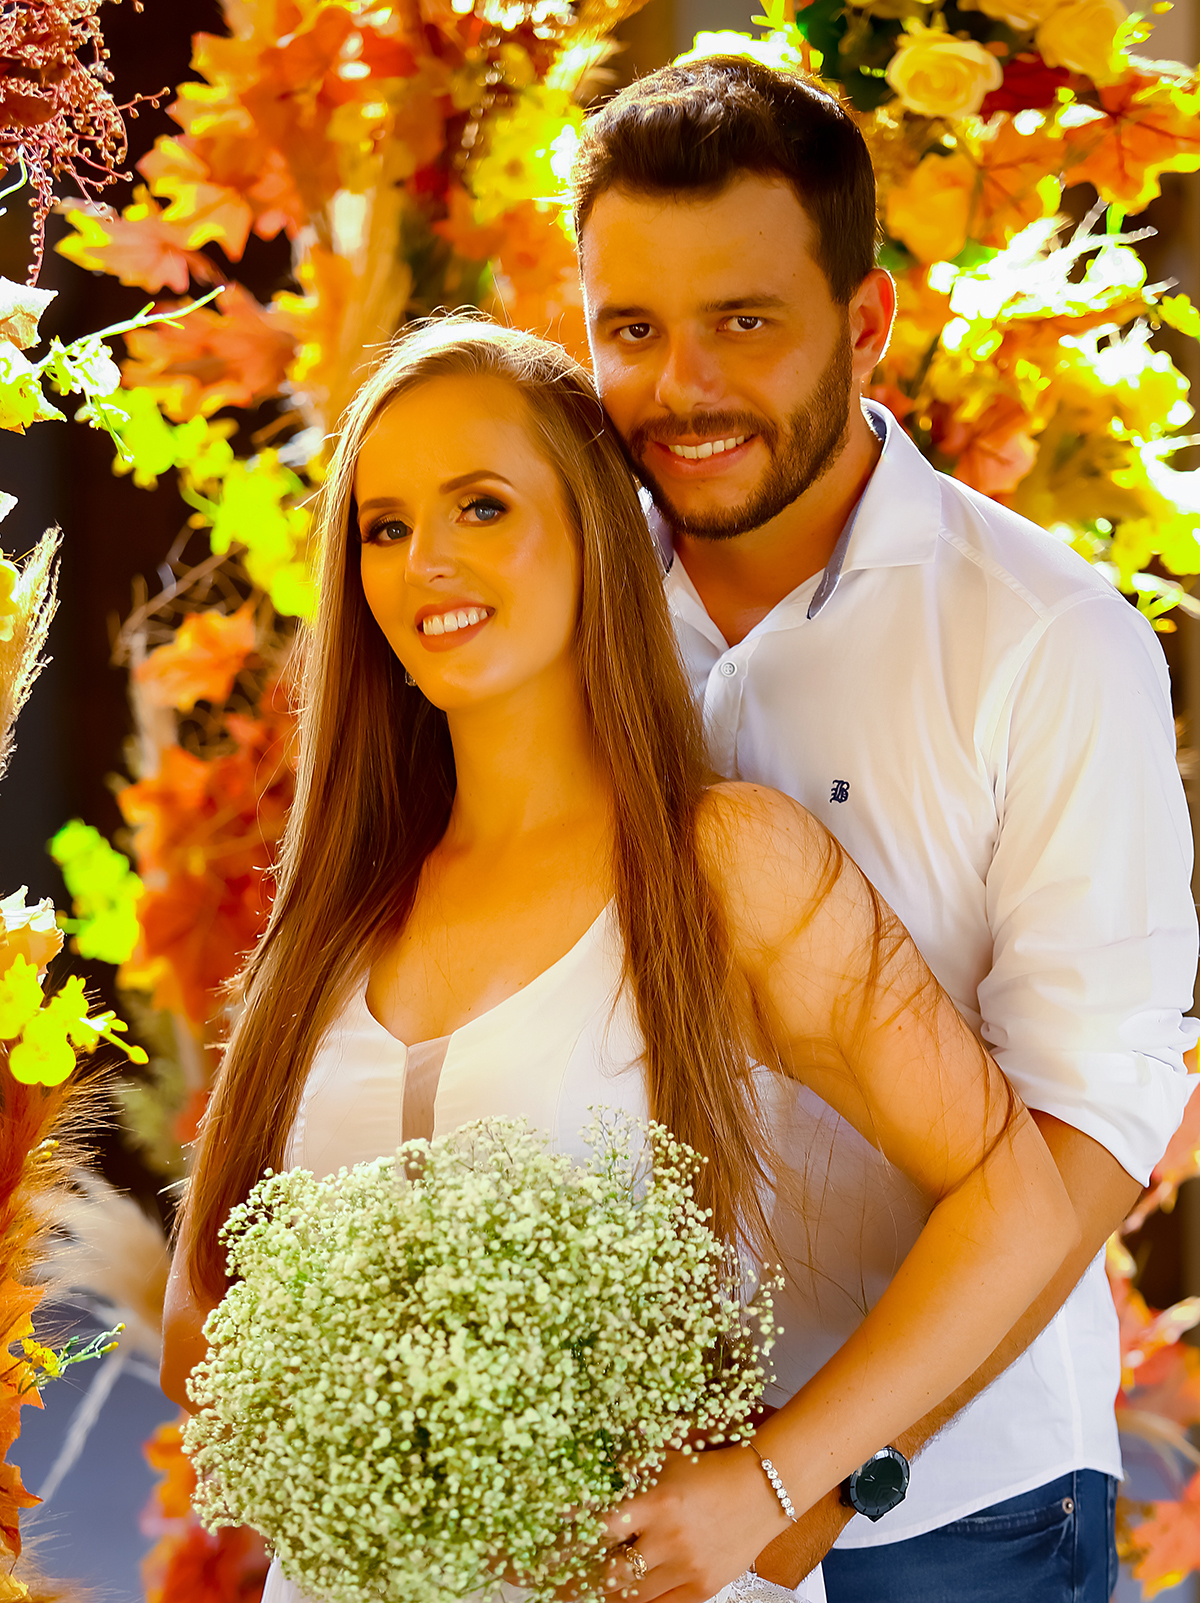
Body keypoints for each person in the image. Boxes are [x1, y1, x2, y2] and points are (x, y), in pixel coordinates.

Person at [161, 320, 1077, 1603]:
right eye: (384, 526)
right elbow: (197, 1325)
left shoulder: (723, 864)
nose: (427, 561)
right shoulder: (337, 908)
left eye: (483, 505)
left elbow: (1017, 1203)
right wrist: (384, 1440)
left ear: (595, 530)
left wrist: (775, 1487)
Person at [571, 53, 1199, 1603]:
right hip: (611, 1485)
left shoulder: (1049, 638)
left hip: (954, 1509)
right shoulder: (556, 610)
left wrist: (808, 1476)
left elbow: (1094, 1118)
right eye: (632, 330)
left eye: (745, 323)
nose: (682, 387)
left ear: (868, 324)